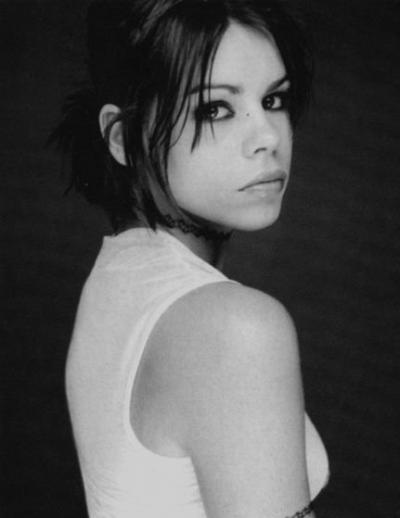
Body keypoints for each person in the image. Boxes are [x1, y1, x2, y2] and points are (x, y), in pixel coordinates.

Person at [51, 0, 329, 516]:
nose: (268, 138)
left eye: (274, 99)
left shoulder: (117, 273)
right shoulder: (233, 326)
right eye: (215, 109)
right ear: (122, 137)